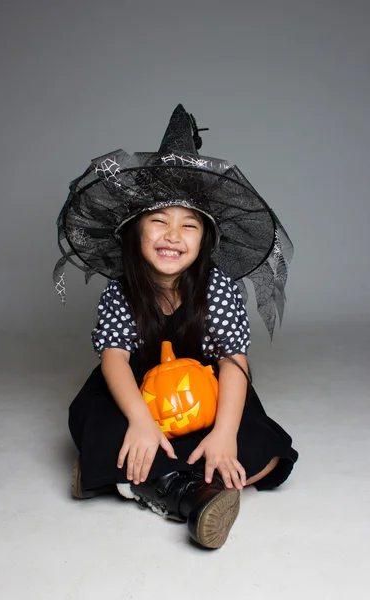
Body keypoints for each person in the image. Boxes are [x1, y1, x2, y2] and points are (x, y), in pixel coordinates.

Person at [53, 104, 298, 549]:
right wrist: (142, 421)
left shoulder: (218, 286)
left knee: (262, 442)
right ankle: (189, 490)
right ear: (135, 232)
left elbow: (234, 362)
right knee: (93, 416)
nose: (173, 235)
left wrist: (224, 434)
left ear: (204, 240)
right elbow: (113, 360)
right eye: (158, 222)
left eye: (189, 226)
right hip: (136, 390)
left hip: (206, 390)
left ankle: (133, 474)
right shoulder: (123, 289)